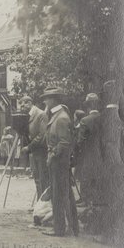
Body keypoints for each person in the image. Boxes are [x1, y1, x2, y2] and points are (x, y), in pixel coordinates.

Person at [41, 86, 78, 237]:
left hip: (59, 162)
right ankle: (71, 228)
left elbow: (64, 142)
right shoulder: (56, 116)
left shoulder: (61, 118)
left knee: (59, 195)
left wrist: (52, 155)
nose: (45, 101)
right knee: (64, 194)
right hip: (58, 162)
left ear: (53, 100)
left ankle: (61, 229)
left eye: (47, 98)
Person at [20, 96, 49, 201]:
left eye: (23, 105)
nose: (21, 107)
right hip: (34, 152)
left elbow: (42, 135)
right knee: (37, 179)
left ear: (29, 103)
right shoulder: (28, 115)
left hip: (41, 151)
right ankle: (39, 202)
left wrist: (29, 147)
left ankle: (44, 204)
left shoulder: (40, 114)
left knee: (43, 179)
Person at [76, 93, 102, 206]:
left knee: (85, 175)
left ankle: (85, 199)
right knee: (98, 176)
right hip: (101, 153)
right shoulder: (104, 118)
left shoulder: (85, 120)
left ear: (88, 107)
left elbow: (80, 141)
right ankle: (97, 199)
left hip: (87, 153)